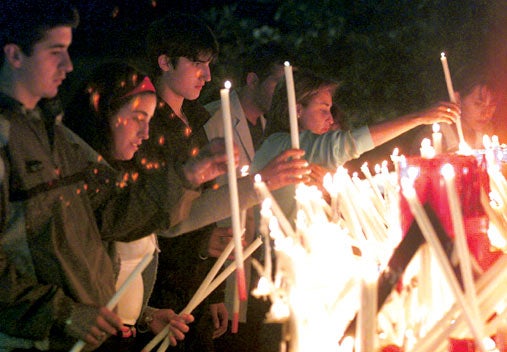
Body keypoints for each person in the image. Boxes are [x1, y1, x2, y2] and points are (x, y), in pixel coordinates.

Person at [0, 2, 232, 350]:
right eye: (56, 52)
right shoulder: (7, 139)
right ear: (15, 55)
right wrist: (62, 313)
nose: (69, 64)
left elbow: (113, 213)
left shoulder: (56, 139)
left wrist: (187, 177)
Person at [137, 13, 311, 352]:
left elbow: (209, 201)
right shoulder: (147, 128)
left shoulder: (196, 121)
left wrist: (214, 285)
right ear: (165, 62)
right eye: (198, 64)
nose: (207, 75)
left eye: (210, 64)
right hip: (158, 291)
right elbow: (156, 214)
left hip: (197, 280)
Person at [63, 61, 196, 351]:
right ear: (103, 114)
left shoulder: (122, 178)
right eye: (138, 118)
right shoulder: (72, 182)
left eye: (149, 120)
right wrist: (190, 176)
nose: (146, 133)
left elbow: (120, 277)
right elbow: (113, 224)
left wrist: (144, 316)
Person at [252, 68, 460, 223]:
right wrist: (419, 117)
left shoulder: (306, 155)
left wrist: (330, 187)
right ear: (297, 110)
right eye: (324, 110)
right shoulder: (279, 146)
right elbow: (347, 145)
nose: (331, 120)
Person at [204, 42, 289, 352]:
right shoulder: (214, 120)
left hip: (257, 264)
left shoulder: (269, 129)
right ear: (252, 80)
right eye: (276, 83)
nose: (281, 93)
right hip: (223, 257)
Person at [409, 60, 499, 153]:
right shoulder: (430, 138)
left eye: (492, 105)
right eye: (478, 104)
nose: (486, 113)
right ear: (457, 99)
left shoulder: (487, 131)